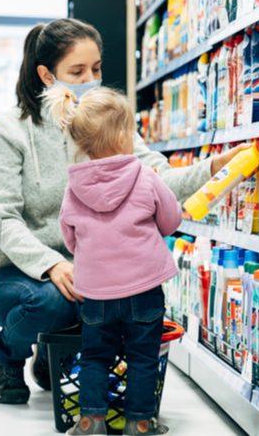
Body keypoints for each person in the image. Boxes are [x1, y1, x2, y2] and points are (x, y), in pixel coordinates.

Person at [0, 17, 248, 405]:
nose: (91, 78)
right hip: (19, 272)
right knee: (52, 301)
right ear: (46, 74)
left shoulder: (104, 119)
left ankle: (55, 357)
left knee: (123, 295)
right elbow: (3, 219)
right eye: (77, 71)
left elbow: (157, 176)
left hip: (91, 268)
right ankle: (7, 355)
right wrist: (52, 264)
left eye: (97, 69)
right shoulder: (11, 129)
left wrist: (213, 168)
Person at [49, 84, 178, 436]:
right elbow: (171, 221)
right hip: (145, 289)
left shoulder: (73, 187)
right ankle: (139, 422)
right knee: (142, 357)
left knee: (94, 356)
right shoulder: (146, 177)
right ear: (124, 136)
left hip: (96, 293)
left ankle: (90, 421)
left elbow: (69, 236)